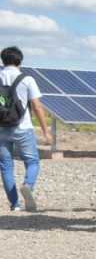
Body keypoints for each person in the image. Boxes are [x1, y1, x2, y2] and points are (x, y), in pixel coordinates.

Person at [0, 47, 52, 212]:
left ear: (3, 60)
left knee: (6, 166)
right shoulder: (27, 79)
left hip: (1, 129)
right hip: (23, 127)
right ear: (20, 61)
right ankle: (28, 185)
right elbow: (36, 106)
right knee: (32, 162)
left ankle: (15, 205)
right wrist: (45, 130)